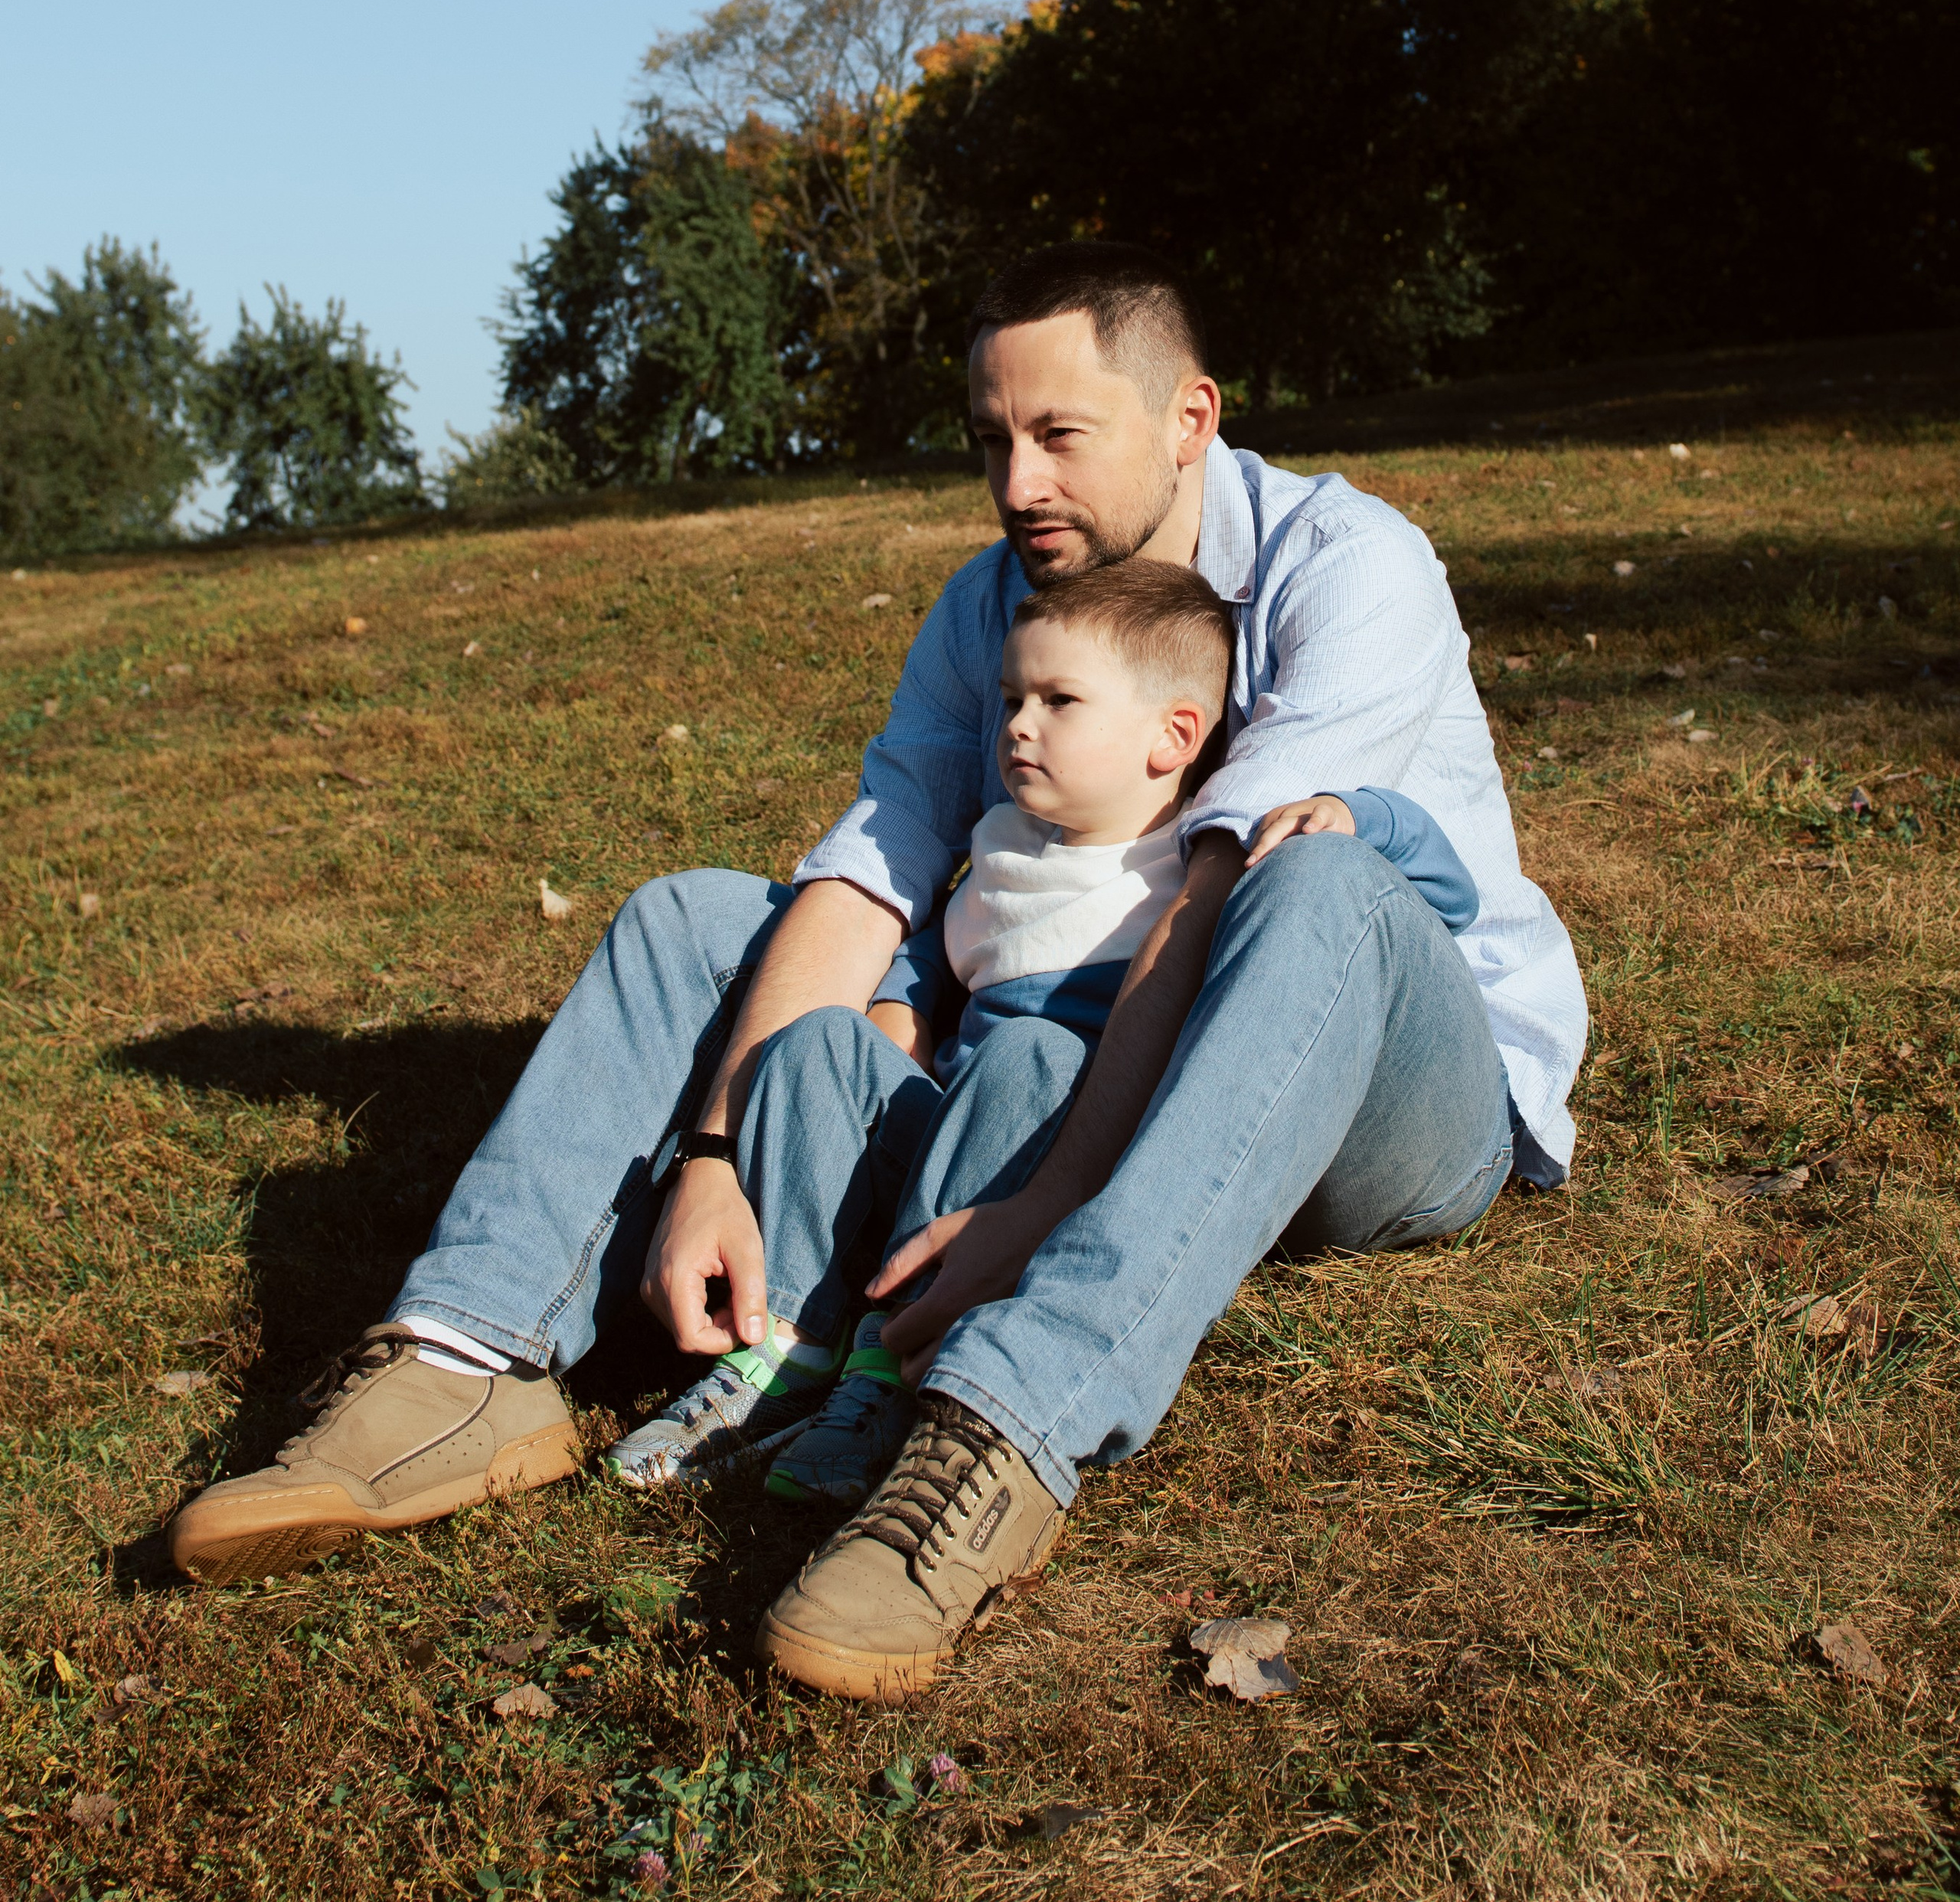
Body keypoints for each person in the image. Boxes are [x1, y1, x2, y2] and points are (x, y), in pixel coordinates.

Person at [166, 243, 1587, 1701]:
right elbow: (873, 869)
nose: (1016, 483)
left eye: (1058, 436)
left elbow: (1213, 904)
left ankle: (1002, 1430)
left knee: (1313, 874)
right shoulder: (996, 605)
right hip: (1089, 1061)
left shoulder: (1346, 567)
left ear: (1190, 420)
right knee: (693, 916)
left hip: (1386, 1092)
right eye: (991, 439)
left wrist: (1043, 1203)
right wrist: (716, 1148)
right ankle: (469, 1356)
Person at [605, 555, 1488, 1515]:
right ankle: (786, 1340)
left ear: (1173, 734)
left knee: (1033, 1055)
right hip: (953, 1149)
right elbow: (922, 959)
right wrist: (895, 1026)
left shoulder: (1195, 859)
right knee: (818, 1036)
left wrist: (1361, 813)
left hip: (1079, 1164)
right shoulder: (995, 846)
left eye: (1059, 700)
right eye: (1013, 696)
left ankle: (883, 1371)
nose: (1018, 724)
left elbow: (1441, 890)